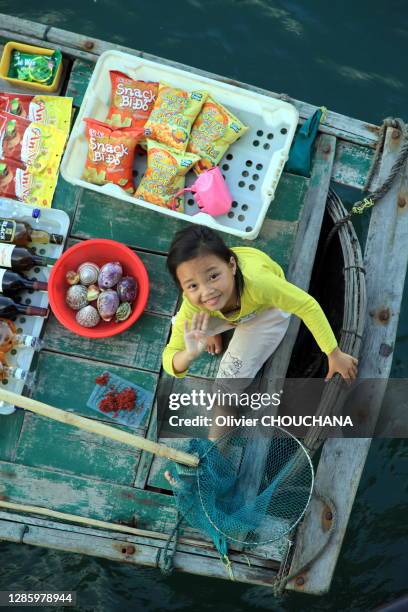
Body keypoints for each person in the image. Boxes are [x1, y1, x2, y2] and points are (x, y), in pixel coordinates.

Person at [162, 225, 358, 384]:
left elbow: (306, 306)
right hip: (222, 309)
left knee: (225, 389)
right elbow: (169, 358)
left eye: (213, 276)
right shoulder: (194, 303)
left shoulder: (260, 283)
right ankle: (215, 330)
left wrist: (334, 353)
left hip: (264, 308)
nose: (206, 291)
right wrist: (188, 354)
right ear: (183, 288)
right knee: (192, 325)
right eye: (193, 285)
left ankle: (218, 330)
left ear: (232, 265)